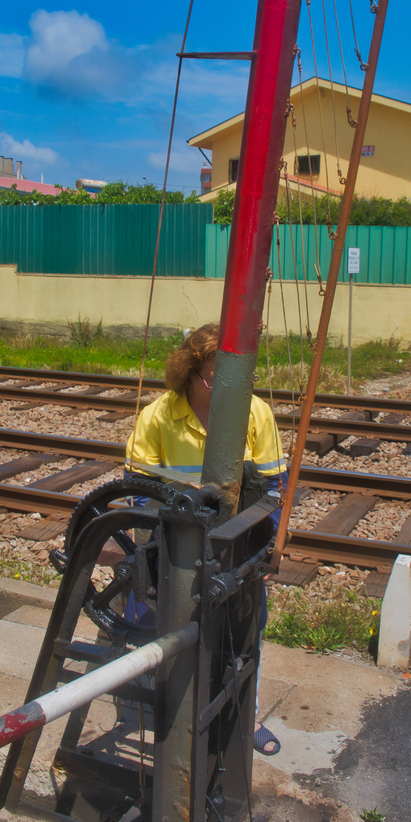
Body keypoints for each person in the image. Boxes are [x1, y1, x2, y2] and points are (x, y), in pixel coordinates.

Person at [125, 323, 287, 756]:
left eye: (233, 378)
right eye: (213, 378)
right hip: (175, 542)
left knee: (246, 628)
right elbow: (138, 489)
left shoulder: (256, 414)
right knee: (164, 626)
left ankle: (242, 719)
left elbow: (273, 489)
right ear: (190, 372)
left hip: (236, 542)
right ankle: (167, 715)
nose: (222, 388)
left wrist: (262, 550)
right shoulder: (157, 416)